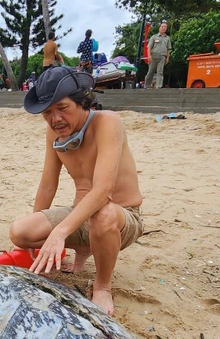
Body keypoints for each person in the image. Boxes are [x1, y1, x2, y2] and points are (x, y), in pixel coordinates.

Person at [8, 66, 144, 316]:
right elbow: (48, 184)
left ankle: (103, 286)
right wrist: (35, 242)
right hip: (80, 215)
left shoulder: (107, 122)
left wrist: (59, 232)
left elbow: (104, 191)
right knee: (20, 232)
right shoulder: (54, 133)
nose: (55, 118)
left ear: (82, 101)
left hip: (121, 217)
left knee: (102, 215)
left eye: (62, 108)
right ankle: (84, 248)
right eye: (47, 112)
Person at [145, 21, 172, 89]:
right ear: (160, 28)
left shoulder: (167, 38)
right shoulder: (154, 37)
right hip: (153, 56)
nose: (164, 28)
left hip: (162, 56)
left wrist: (167, 58)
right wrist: (149, 55)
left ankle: (159, 86)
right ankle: (147, 85)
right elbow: (149, 47)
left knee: (160, 72)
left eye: (165, 27)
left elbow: (169, 49)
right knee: (151, 71)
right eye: (162, 26)